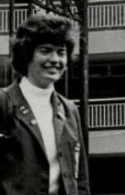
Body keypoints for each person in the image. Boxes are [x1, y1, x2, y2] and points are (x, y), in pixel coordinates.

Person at [0, 13, 90, 195]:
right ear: (27, 54)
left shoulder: (69, 110)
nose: (55, 60)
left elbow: (80, 179)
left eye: (61, 52)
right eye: (45, 50)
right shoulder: (3, 102)